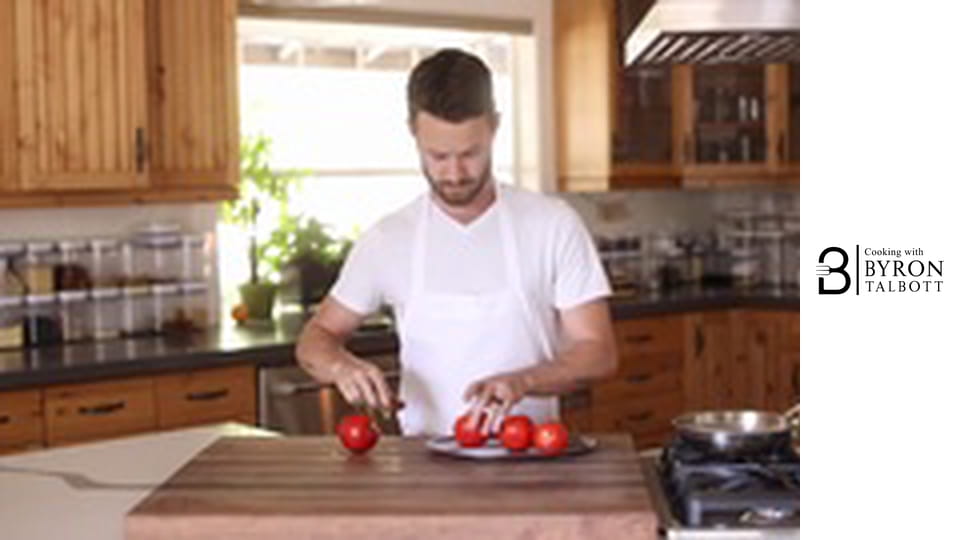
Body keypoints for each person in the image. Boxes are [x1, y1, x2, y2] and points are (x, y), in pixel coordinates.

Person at [295, 48, 617, 436]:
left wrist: (525, 381)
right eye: (438, 155)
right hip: (423, 471)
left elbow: (598, 351)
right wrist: (340, 366)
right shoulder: (387, 239)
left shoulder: (552, 224)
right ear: (413, 131)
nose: (454, 173)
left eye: (470, 154)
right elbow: (316, 338)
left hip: (531, 461)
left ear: (494, 128)